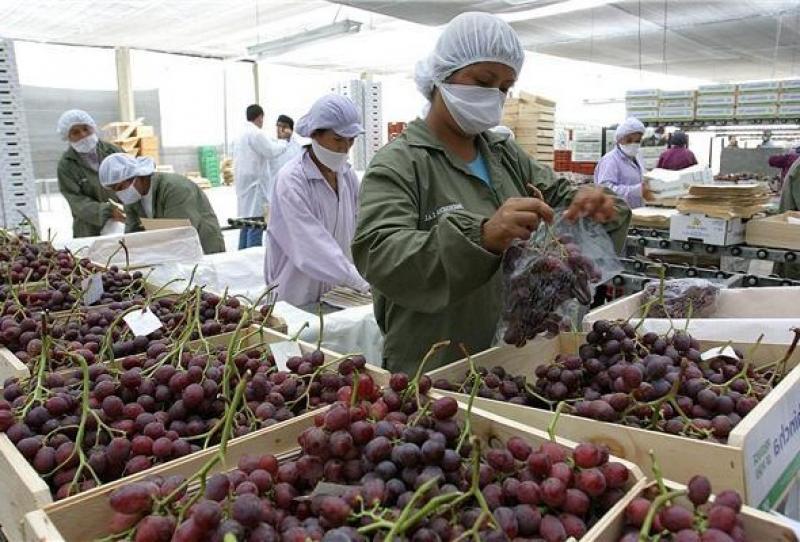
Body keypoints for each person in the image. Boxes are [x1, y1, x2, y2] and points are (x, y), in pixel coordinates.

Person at [352, 12, 631, 373]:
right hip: (435, 366)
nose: (494, 95)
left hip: (517, 358)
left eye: (504, 87)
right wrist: (481, 236)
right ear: (442, 74)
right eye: (484, 80)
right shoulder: (400, 164)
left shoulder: (504, 155)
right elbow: (380, 252)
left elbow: (565, 199)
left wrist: (599, 205)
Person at [265, 94, 370, 309]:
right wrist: (357, 280)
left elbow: (362, 228)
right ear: (314, 135)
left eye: (351, 140)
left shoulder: (347, 176)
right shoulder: (292, 180)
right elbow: (311, 244)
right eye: (338, 139)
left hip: (338, 295)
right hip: (296, 298)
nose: (345, 148)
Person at [98, 153, 225, 254]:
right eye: (114, 190)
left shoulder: (175, 188)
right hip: (168, 251)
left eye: (120, 187)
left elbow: (181, 233)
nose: (119, 194)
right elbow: (133, 236)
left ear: (136, 177)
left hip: (202, 247)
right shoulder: (133, 199)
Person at [56, 109, 126, 238]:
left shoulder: (113, 151)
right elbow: (76, 200)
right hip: (89, 228)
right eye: (75, 132)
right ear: (67, 137)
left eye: (85, 129)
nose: (83, 134)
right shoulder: (67, 165)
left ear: (93, 128)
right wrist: (107, 211)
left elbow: (132, 179)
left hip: (123, 220)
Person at [232, 104, 289, 250]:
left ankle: (242, 259)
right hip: (255, 186)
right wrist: (284, 142)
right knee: (255, 223)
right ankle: (251, 260)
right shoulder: (256, 133)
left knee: (245, 223)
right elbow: (270, 151)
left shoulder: (241, 135)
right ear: (260, 117)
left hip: (244, 186)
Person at [594, 118, 652, 209]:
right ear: (619, 139)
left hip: (636, 212)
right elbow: (605, 190)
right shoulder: (610, 160)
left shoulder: (637, 156)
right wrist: (636, 190)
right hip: (617, 215)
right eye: (629, 140)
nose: (633, 144)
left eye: (637, 141)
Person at [270, 114, 303, 183]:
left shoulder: (298, 149)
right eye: (278, 126)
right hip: (273, 187)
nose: (280, 129)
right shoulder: (271, 146)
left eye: (284, 126)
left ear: (291, 130)